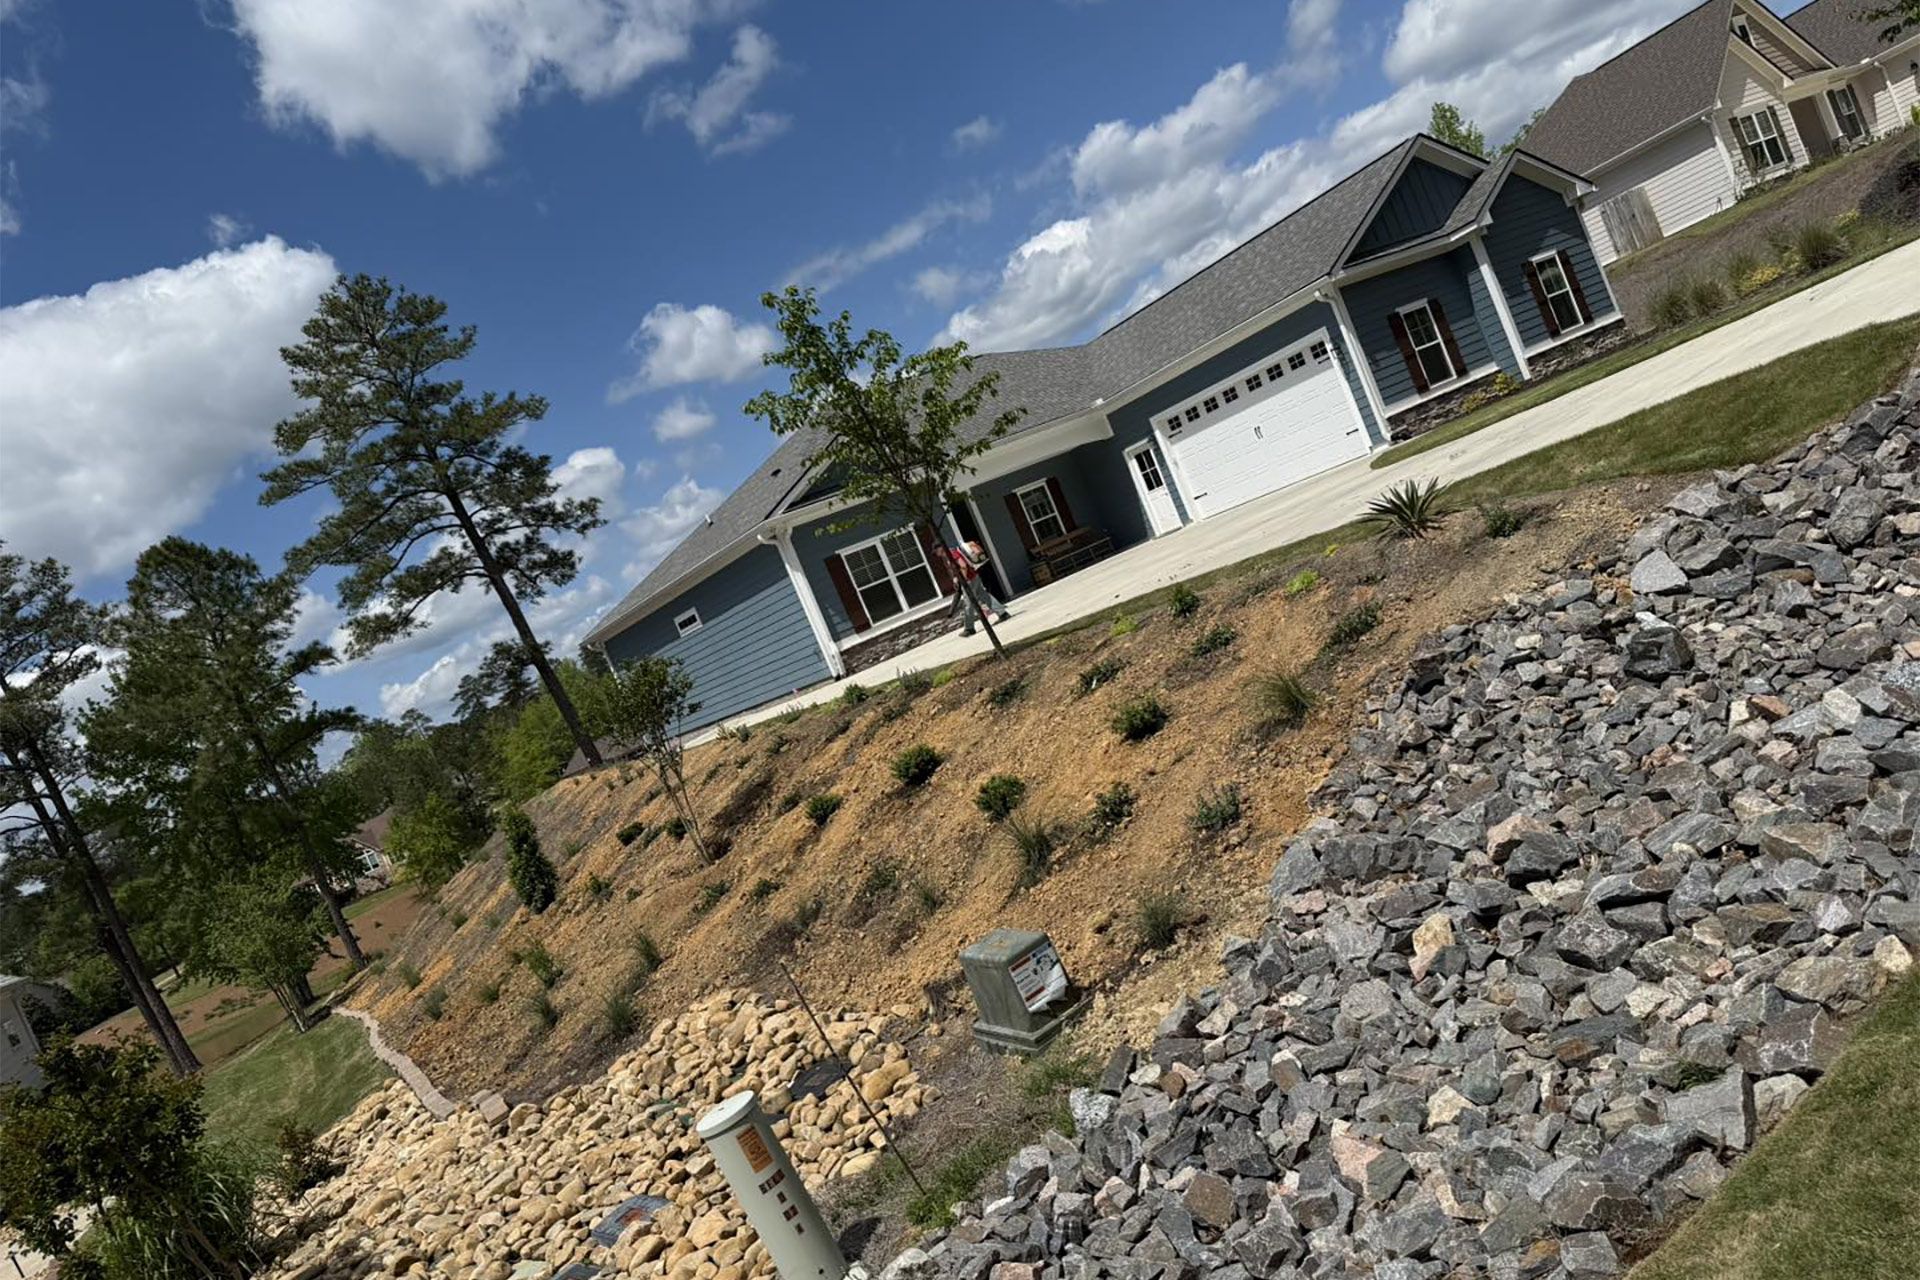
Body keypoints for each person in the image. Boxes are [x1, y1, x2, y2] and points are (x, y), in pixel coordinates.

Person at [947, 539, 1010, 636]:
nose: (937, 554)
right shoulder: (953, 552)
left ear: (940, 549)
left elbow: (963, 566)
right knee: (984, 596)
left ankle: (969, 628)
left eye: (937, 552)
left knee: (968, 604)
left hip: (968, 580)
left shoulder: (952, 554)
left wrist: (962, 580)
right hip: (974, 576)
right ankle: (1002, 613)